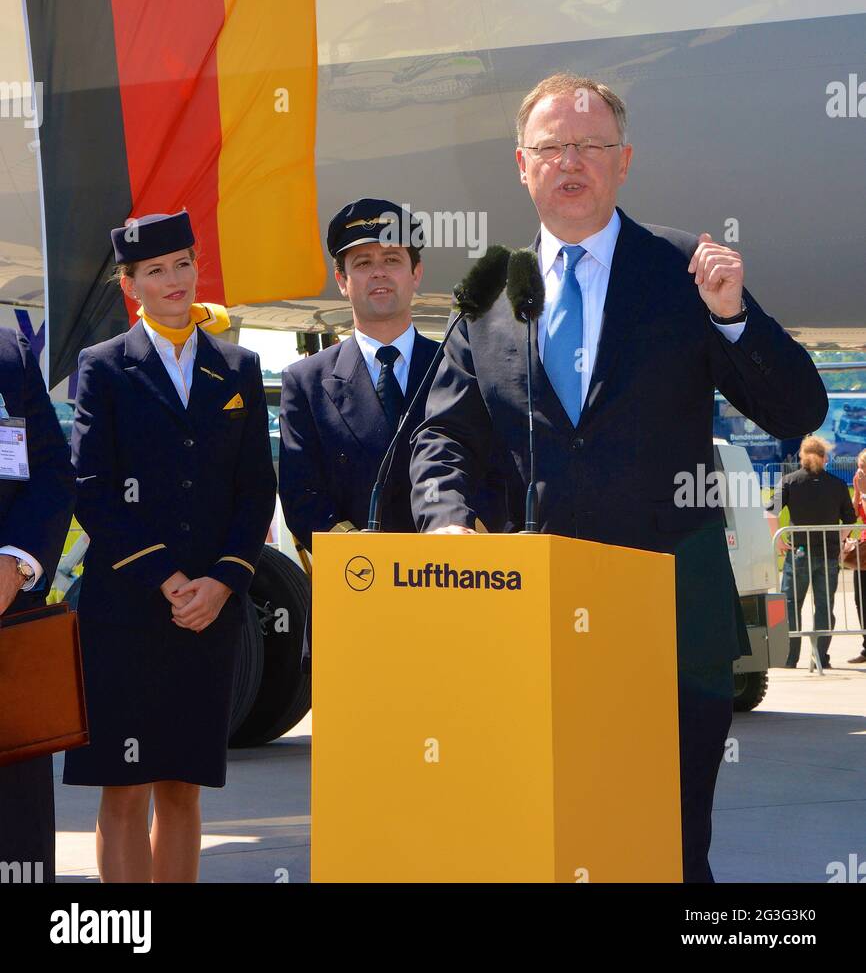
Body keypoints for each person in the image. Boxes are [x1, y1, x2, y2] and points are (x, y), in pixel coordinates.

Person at [410, 73, 828, 884]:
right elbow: (443, 438)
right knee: (545, 846)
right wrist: (446, 519)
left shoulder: (684, 270)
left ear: (624, 161)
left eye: (591, 145)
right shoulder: (489, 292)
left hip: (670, 621)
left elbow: (796, 409)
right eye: (551, 147)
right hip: (531, 624)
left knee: (663, 850)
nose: (572, 161)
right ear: (522, 166)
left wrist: (734, 317)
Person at [62, 211, 276, 883]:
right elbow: (91, 488)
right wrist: (166, 577)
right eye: (155, 270)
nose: (174, 279)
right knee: (124, 789)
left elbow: (254, 489)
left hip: (210, 610)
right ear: (132, 286)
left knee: (183, 786)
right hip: (127, 608)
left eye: (182, 263)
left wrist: (222, 581)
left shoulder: (238, 367)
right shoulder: (103, 368)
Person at [279, 199, 442, 546]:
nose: (379, 272)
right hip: (359, 579)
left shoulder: (457, 368)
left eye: (392, 260)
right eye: (363, 263)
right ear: (342, 280)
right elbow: (301, 495)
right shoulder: (306, 383)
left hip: (452, 575)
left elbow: (492, 473)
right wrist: (362, 550)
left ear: (416, 273)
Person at [0, 329, 73, 883]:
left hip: (8, 625)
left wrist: (15, 561)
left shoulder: (10, 353)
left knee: (16, 846)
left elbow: (50, 467)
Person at [770, 436, 856, 669]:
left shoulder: (789, 481)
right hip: (828, 555)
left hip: (798, 553)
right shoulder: (838, 484)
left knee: (790, 605)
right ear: (825, 457)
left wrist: (778, 540)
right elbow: (850, 519)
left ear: (801, 457)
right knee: (824, 606)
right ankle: (820, 656)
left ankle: (789, 657)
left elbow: (769, 513)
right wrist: (838, 539)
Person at [849, 450, 866, 663]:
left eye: (863, 467)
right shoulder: (861, 488)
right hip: (863, 549)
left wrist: (863, 492)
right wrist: (856, 492)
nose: (860, 471)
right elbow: (853, 515)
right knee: (860, 599)